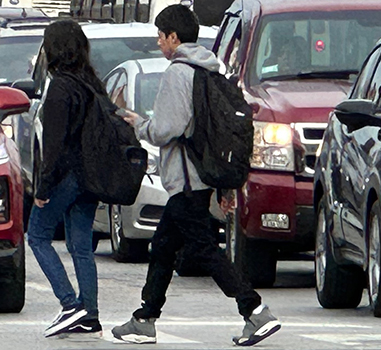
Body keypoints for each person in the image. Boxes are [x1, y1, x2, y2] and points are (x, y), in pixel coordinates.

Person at [115, 5, 279, 346]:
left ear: (174, 38)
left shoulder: (178, 72)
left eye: (161, 36)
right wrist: (222, 186)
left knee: (203, 249)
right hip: (200, 177)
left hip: (186, 179)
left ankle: (255, 310)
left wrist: (139, 124)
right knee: (162, 248)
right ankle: (145, 318)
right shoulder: (208, 69)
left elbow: (167, 128)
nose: (159, 43)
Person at [27, 19, 103, 339]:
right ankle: (91, 314)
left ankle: (70, 304)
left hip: (68, 176)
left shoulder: (60, 87)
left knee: (38, 236)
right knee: (80, 245)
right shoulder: (92, 83)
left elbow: (54, 146)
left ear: (52, 49)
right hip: (91, 177)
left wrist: (44, 187)